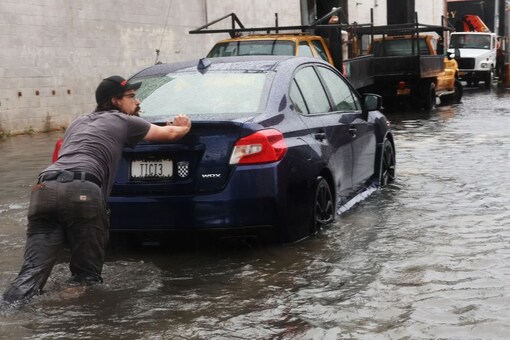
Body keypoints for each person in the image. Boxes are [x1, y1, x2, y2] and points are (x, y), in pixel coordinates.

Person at [2, 75, 191, 304]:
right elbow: (169, 134)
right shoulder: (124, 121)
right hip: (83, 191)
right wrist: (182, 126)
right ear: (115, 101)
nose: (138, 102)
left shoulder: (78, 121)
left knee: (31, 273)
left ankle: (10, 311)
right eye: (131, 97)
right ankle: (79, 321)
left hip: (44, 188)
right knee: (86, 277)